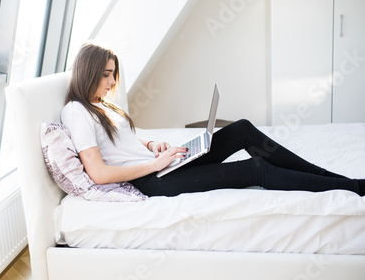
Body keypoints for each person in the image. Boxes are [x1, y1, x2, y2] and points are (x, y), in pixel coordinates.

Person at [61, 42, 365, 197]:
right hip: (152, 181)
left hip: (161, 165)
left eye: (113, 74)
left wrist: (152, 144)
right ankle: (352, 188)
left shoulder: (101, 105)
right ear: (87, 72)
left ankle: (335, 178)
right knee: (256, 169)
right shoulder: (76, 112)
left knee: (242, 129)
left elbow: (124, 139)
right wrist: (154, 164)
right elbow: (98, 173)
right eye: (106, 75)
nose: (112, 82)